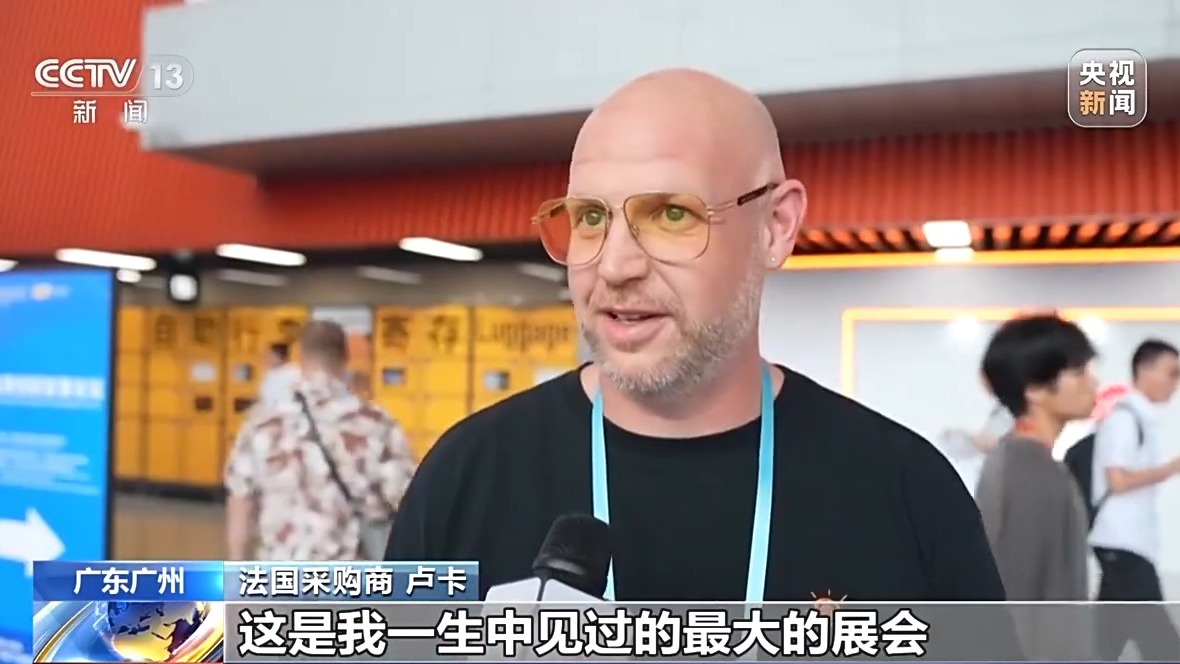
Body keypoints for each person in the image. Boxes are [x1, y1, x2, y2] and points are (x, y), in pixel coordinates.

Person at [386, 70, 1010, 608]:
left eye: (671, 214)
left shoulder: (906, 491)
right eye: (591, 218)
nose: (614, 266)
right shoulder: (467, 475)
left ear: (775, 226)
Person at [225, 321, 416, 560]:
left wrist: (238, 568)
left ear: (300, 357)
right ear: (345, 358)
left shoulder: (261, 424)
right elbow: (408, 501)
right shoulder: (378, 424)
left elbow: (242, 507)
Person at [973, 315, 1098, 659]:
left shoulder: (1025, 461)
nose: (1093, 382)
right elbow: (1019, 592)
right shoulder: (1029, 470)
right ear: (1035, 389)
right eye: (1078, 372)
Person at [1090, 339, 1180, 660]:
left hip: (1128, 545)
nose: (1176, 383)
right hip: (1123, 545)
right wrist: (1170, 469)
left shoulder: (1142, 420)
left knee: (1104, 643)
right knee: (1164, 646)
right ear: (1145, 370)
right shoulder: (1124, 419)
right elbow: (1118, 480)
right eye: (1172, 373)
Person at [258, 342, 299, 407]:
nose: (265, 358)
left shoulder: (294, 372)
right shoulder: (270, 374)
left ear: (277, 356)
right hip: (269, 411)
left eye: (268, 355)